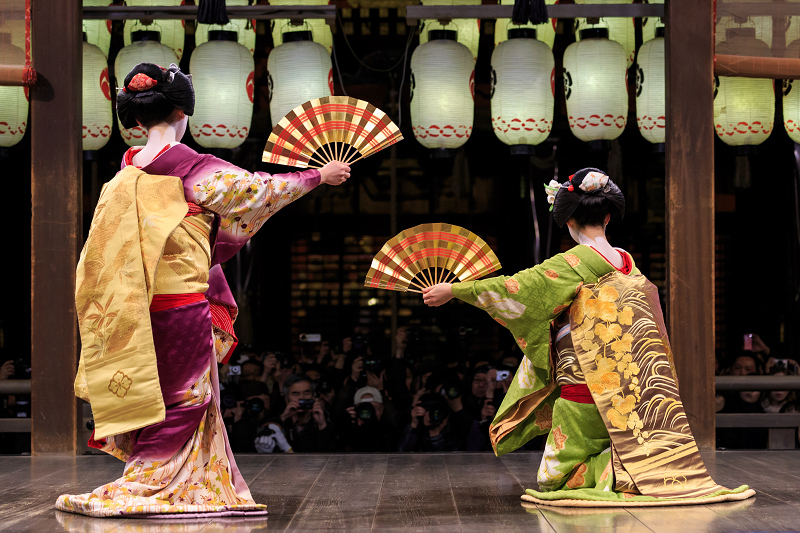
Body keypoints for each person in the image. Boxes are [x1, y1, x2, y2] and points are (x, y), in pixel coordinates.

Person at [57, 63, 350, 518]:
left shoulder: (128, 167)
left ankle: (181, 479)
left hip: (134, 305)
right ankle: (152, 481)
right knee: (187, 397)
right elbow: (257, 191)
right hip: (179, 305)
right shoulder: (189, 165)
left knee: (155, 393)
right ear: (182, 111)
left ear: (135, 119)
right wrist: (315, 177)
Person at [422, 168, 754, 506]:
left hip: (585, 387)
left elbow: (516, 289)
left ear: (567, 220)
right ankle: (632, 466)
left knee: (551, 480)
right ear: (608, 216)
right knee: (618, 442)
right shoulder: (627, 262)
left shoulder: (572, 262)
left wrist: (455, 290)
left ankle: (612, 473)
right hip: (631, 389)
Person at [279, 374, 336, 452]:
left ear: (313, 396)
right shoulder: (280, 422)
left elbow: (330, 455)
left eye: (306, 393)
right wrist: (283, 419)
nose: (302, 397)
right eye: (296, 394)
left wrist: (322, 425)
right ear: (286, 399)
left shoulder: (325, 424)